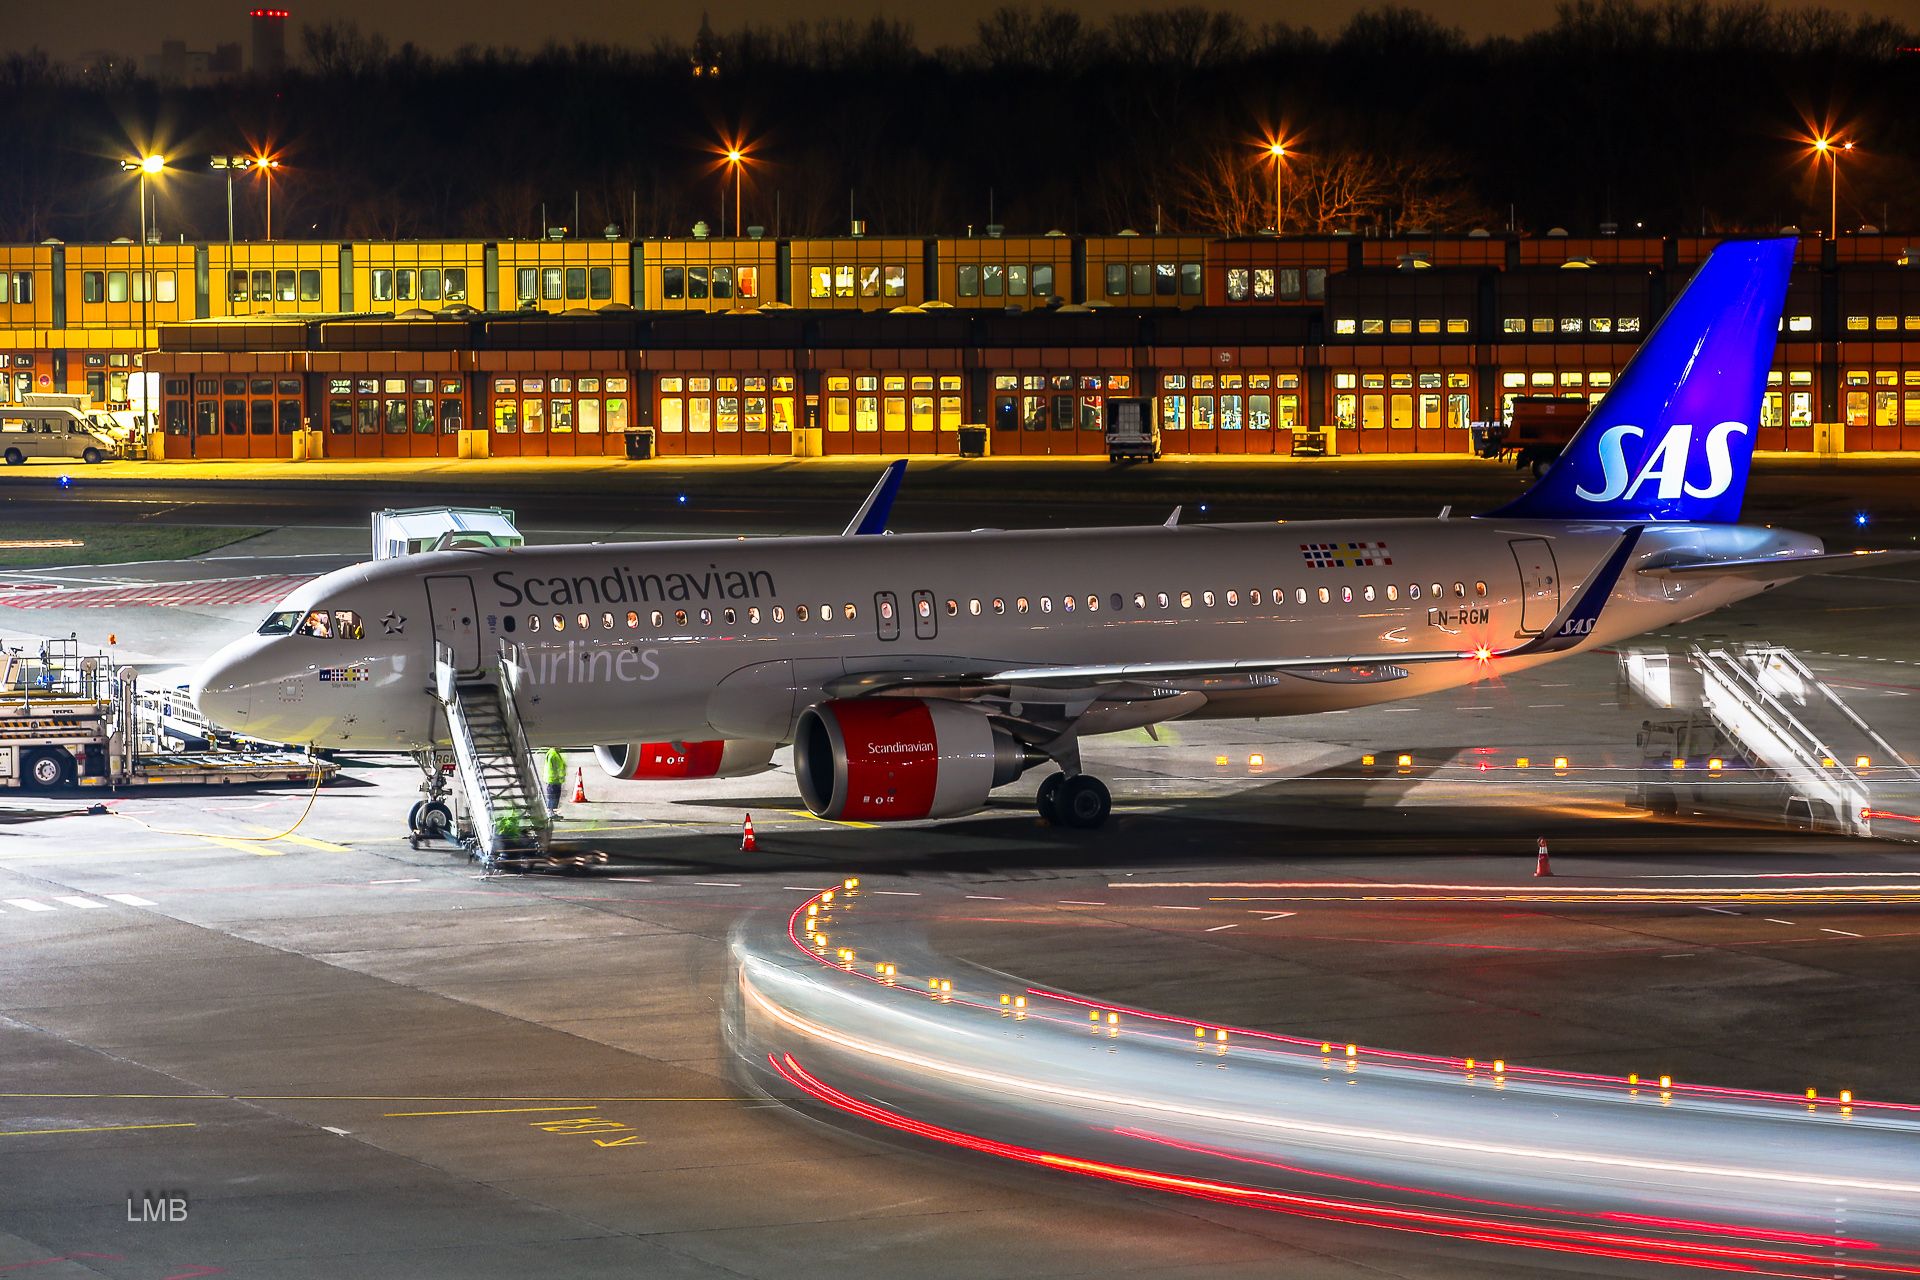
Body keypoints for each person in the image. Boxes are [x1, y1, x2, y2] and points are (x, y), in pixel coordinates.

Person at [542, 746, 567, 816]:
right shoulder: (554, 755)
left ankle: (552, 812)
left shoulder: (551, 752)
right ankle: (551, 813)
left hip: (552, 779)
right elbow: (558, 768)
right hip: (555, 780)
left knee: (553, 797)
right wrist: (562, 776)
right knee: (553, 798)